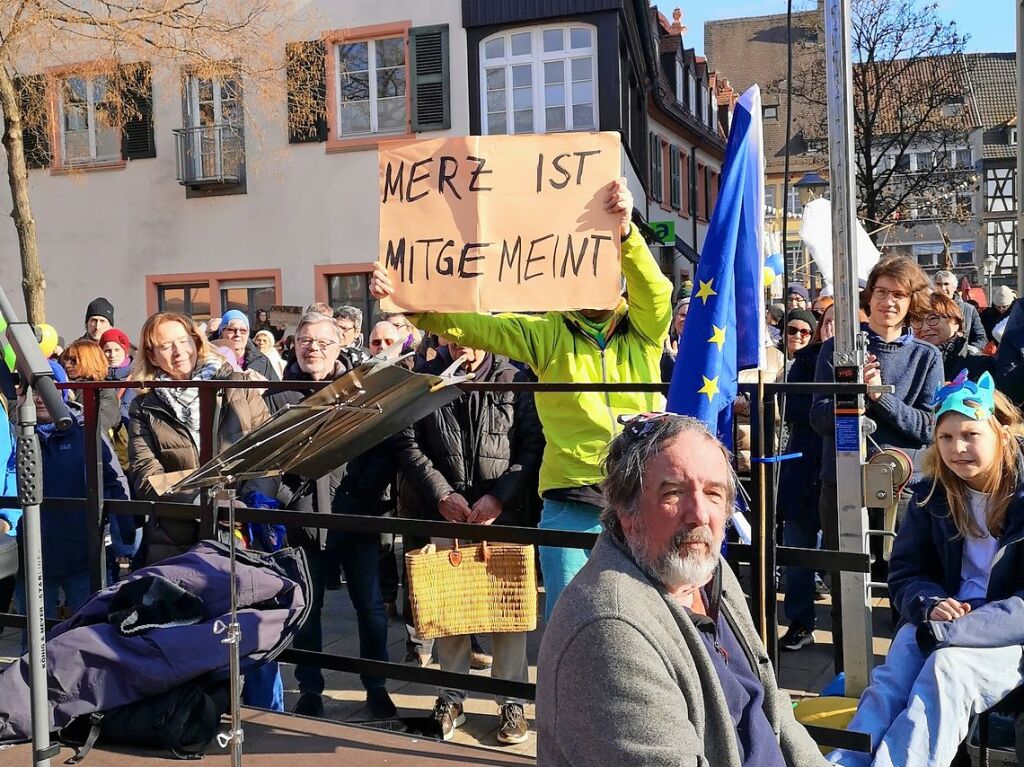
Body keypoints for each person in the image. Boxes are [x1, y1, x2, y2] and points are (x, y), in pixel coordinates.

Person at [370, 178, 673, 619]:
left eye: (603, 264)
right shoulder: (547, 332)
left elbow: (657, 292)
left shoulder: (644, 328)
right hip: (571, 498)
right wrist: (408, 299)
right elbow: (478, 328)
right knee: (570, 622)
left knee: (647, 620)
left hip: (639, 491)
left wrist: (626, 234)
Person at [536, 413, 828, 767]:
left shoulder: (708, 574)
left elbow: (769, 704)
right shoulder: (609, 630)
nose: (699, 514)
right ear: (626, 511)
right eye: (673, 492)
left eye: (713, 493)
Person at [827, 372, 1024, 767]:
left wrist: (955, 629)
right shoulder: (931, 493)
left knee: (947, 668)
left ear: (1000, 434)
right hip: (941, 619)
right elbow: (906, 572)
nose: (958, 448)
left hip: (1008, 632)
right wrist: (929, 603)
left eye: (971, 435)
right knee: (890, 681)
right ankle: (842, 763)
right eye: (946, 438)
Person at [395, 341, 543, 745]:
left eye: (471, 332)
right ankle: (451, 697)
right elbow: (409, 443)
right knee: (449, 608)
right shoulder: (426, 379)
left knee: (509, 611)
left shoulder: (515, 377)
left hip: (503, 514)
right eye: (454, 334)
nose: (464, 345)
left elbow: (531, 446)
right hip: (449, 511)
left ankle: (511, 701)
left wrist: (500, 497)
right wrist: (441, 494)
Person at [811, 256, 943, 670]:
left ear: (911, 302)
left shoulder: (926, 357)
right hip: (843, 480)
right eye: (882, 292)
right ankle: (845, 673)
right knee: (844, 584)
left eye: (899, 295)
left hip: (906, 486)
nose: (889, 302)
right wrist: (849, 395)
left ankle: (906, 674)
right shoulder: (840, 348)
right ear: (869, 297)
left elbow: (927, 428)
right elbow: (816, 417)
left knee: (907, 583)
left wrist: (879, 397)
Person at [264, 311, 396, 720]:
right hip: (303, 521)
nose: (313, 349)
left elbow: (382, 452)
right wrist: (290, 498)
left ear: (339, 345)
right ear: (295, 345)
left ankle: (376, 686)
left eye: (322, 342)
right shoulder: (279, 395)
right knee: (308, 609)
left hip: (355, 515)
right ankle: (310, 688)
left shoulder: (360, 391)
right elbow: (269, 460)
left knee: (370, 608)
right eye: (306, 341)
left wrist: (359, 498)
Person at [126, 312, 275, 565]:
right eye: (165, 346)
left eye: (183, 341)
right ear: (152, 355)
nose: (178, 352)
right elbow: (147, 476)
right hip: (177, 537)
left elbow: (268, 450)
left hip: (243, 529)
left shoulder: (238, 386)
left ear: (196, 341)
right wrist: (206, 503)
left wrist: (249, 505)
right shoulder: (144, 406)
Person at [6, 361, 129, 621]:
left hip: (83, 553)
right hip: (32, 557)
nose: (39, 399)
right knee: (34, 636)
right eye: (33, 392)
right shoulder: (14, 433)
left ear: (61, 392)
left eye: (46, 390)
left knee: (90, 628)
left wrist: (125, 533)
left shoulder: (85, 429)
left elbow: (113, 479)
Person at [910, 293, 993, 381]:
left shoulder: (979, 364)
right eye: (917, 320)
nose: (925, 328)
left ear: (955, 322)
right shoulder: (907, 364)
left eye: (933, 319)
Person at [60, 339, 121, 435]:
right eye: (66, 360)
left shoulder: (105, 391)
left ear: (89, 361)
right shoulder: (66, 388)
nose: (67, 365)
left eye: (73, 360)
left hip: (94, 447)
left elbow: (97, 428)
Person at [217, 310, 280, 381]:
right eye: (231, 330)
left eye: (243, 331)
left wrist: (264, 384)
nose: (238, 334)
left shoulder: (262, 360)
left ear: (248, 334)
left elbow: (276, 389)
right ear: (222, 331)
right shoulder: (210, 358)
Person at [932, 271, 986, 352]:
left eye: (946, 284)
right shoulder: (926, 309)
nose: (943, 288)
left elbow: (980, 338)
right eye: (939, 284)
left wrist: (971, 350)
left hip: (960, 359)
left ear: (954, 287)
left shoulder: (969, 310)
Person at [661, 298, 689, 383]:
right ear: (674, 319)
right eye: (683, 315)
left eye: (691, 316)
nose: (686, 319)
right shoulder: (664, 343)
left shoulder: (705, 348)